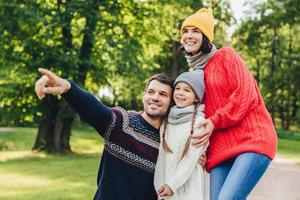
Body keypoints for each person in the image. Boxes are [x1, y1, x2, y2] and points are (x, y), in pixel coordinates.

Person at [180, 8, 278, 200]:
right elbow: (192, 114)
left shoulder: (225, 56)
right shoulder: (194, 75)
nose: (189, 36)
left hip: (252, 139)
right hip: (220, 149)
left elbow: (245, 94)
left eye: (195, 31)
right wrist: (199, 150)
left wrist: (215, 121)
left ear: (206, 36)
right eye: (185, 31)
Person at [35, 68, 174, 200]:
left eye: (163, 94)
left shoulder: (171, 141)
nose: (155, 97)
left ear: (171, 103)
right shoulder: (123, 123)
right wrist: (68, 88)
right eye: (151, 92)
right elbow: (95, 110)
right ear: (144, 96)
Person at [154, 70, 208, 200]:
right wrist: (159, 186)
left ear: (196, 97)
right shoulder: (166, 122)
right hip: (166, 192)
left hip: (189, 192)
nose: (180, 93)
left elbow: (190, 160)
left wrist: (172, 185)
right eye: (177, 88)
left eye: (187, 90)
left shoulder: (199, 123)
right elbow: (161, 158)